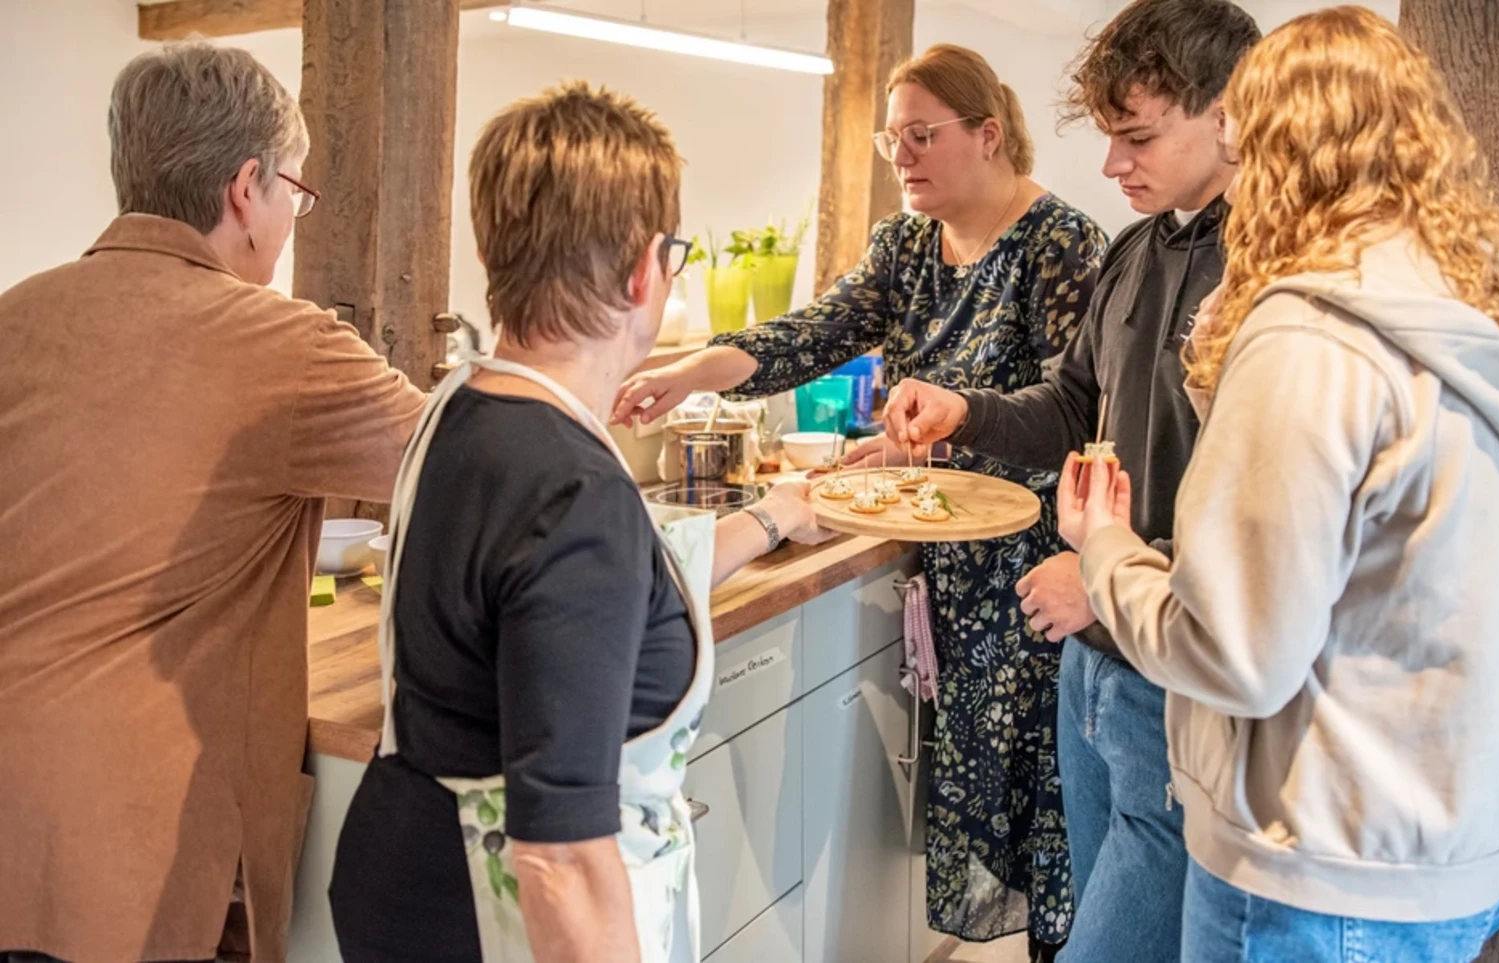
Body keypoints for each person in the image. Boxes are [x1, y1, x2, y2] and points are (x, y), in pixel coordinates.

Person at [1057, 7, 1499, 962]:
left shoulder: (1311, 333)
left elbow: (1236, 650)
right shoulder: (1479, 308)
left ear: (1275, 145)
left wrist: (1105, 551)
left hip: (1315, 863)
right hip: (1450, 835)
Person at [614, 43, 1105, 956]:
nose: (903, 158)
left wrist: (959, 421)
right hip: (950, 564)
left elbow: (1075, 408)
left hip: (1038, 566)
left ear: (989, 133)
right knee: (979, 799)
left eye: (920, 136)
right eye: (891, 142)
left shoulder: (1062, 245)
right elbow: (809, 335)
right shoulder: (906, 245)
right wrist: (687, 371)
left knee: (1050, 815)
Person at [328, 81, 828, 963]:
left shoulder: (461, 409)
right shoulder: (571, 486)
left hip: (407, 873)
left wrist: (771, 519)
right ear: (647, 272)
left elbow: (611, 586)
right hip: (499, 923)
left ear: (491, 248)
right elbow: (561, 852)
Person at [0, 43, 426, 963]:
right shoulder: (280, 341)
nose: (290, 219)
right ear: (247, 187)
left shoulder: (15, 316)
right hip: (141, 856)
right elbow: (470, 466)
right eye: (296, 195)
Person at [880, 3, 1257, 960]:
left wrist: (1103, 575)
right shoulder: (1134, 252)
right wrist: (967, 407)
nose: (1111, 165)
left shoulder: (1267, 267)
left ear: (1229, 113)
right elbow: (1067, 408)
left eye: (1138, 136)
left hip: (1176, 667)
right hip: (1091, 658)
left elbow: (1260, 510)